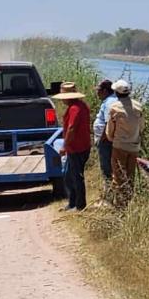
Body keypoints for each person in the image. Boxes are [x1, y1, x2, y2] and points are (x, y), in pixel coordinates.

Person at [105, 80, 144, 206]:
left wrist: (112, 139)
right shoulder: (138, 106)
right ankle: (128, 202)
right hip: (134, 146)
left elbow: (110, 130)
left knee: (118, 176)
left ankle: (120, 205)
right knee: (130, 175)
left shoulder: (114, 108)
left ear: (116, 93)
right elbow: (141, 127)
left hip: (119, 145)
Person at [53, 82, 91, 211]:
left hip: (77, 147)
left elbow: (72, 128)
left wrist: (65, 145)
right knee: (69, 176)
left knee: (76, 176)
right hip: (78, 146)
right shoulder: (80, 106)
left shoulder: (75, 108)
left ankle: (79, 205)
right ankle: (72, 203)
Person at [92, 79, 117, 204]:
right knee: (108, 169)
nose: (97, 93)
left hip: (106, 142)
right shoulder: (109, 101)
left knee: (107, 169)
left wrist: (102, 139)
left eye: (98, 90)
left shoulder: (110, 102)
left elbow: (108, 122)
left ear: (105, 91)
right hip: (107, 140)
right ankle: (109, 196)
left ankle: (108, 198)